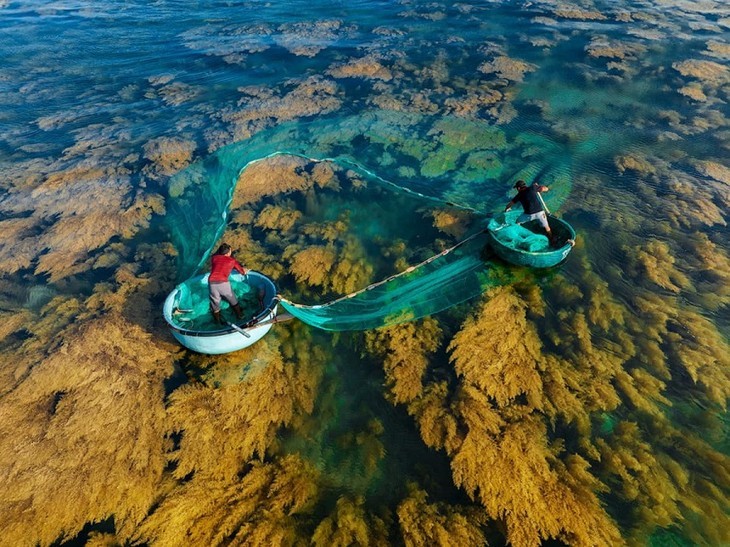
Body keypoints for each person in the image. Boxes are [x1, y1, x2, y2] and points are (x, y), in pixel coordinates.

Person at [209, 243, 248, 324]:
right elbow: (242, 272)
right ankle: (240, 315)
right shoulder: (232, 261)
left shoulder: (214, 258)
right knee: (233, 300)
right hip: (223, 283)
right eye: (230, 251)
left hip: (211, 283)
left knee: (215, 304)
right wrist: (244, 270)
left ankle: (217, 321)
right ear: (227, 253)